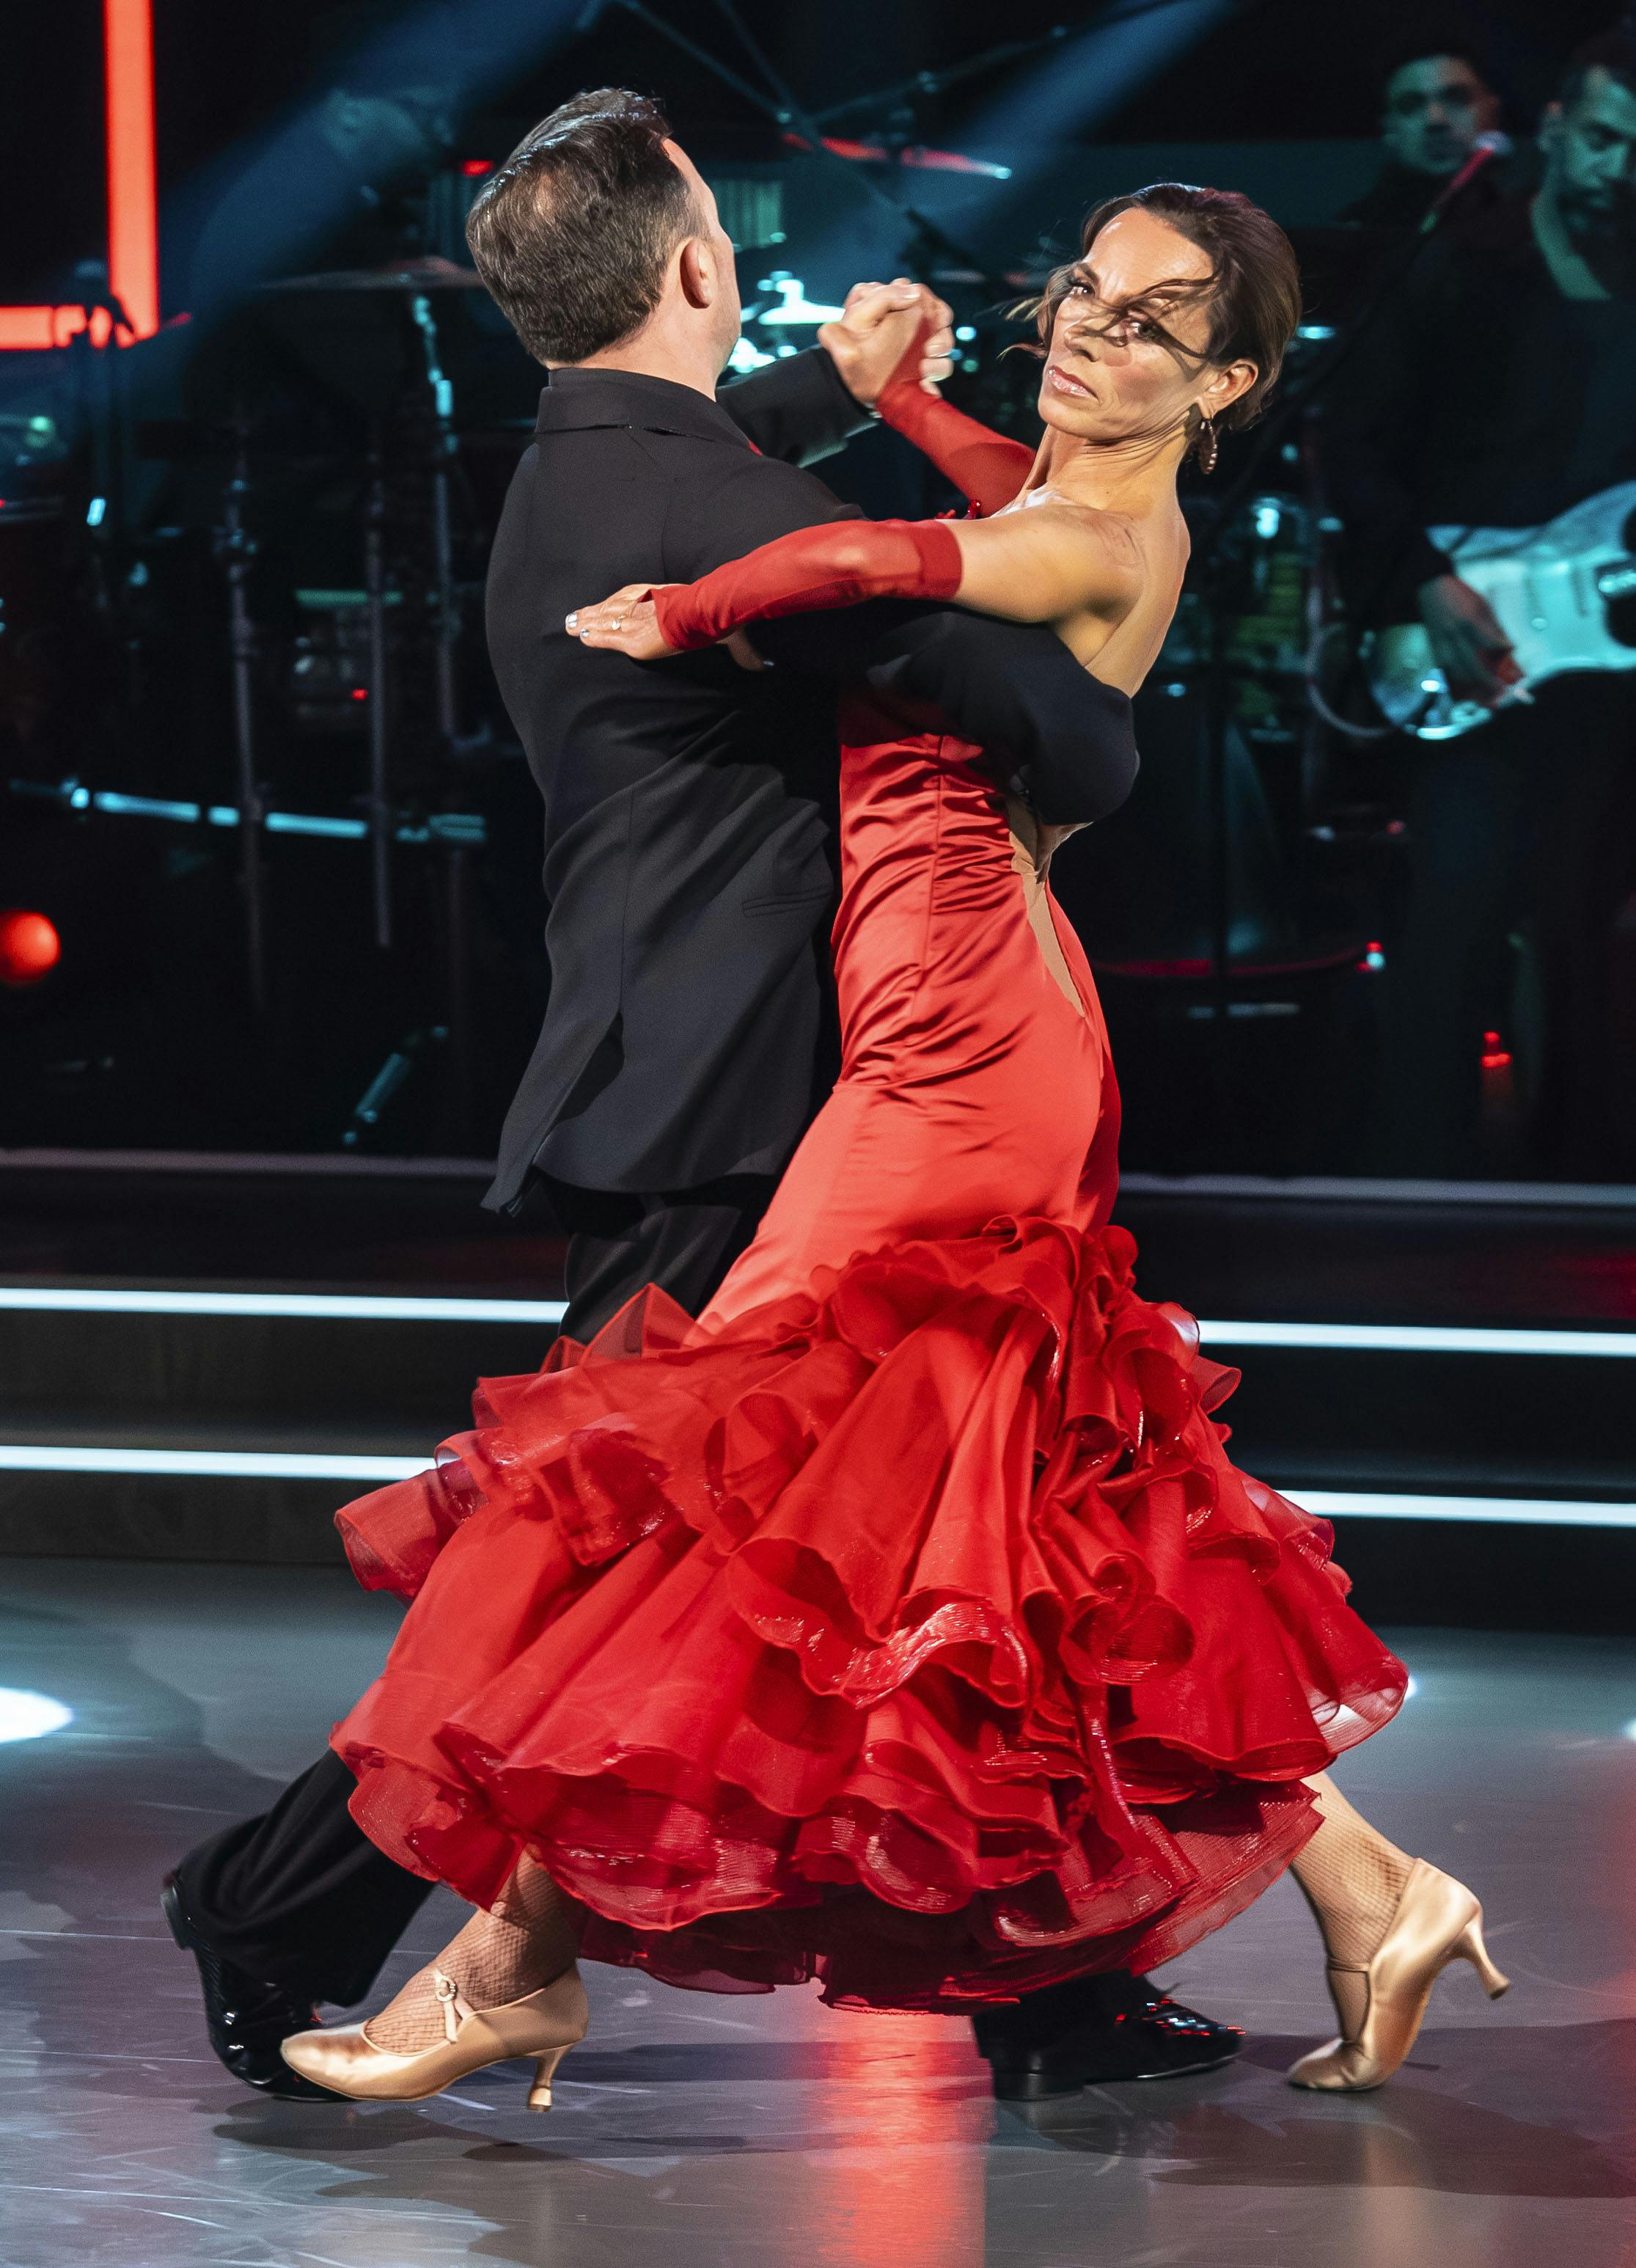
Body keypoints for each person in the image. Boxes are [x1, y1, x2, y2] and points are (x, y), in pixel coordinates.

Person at [281, 183, 1505, 2112]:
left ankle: (508, 1965)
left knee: (718, 1472)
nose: (1091, 331)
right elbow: (977, 495)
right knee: (1014, 1534)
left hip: (956, 1049)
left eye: (1149, 320)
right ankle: (1370, 1890)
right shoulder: (1071, 492)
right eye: (1082, 292)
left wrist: (684, 609)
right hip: (952, 1020)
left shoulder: (1086, 527)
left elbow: (881, 556)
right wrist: (919, 392)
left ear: (1230, 381)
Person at [164, 92, 1234, 2106]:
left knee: (941, 1535)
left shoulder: (598, 475)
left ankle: (1054, 1989)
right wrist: (1085, 564)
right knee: (573, 1569)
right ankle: (282, 1906)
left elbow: (828, 555)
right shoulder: (713, 508)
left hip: (718, 1079)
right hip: (744, 1107)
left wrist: (885, 440)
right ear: (693, 272)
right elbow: (1077, 745)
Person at [1324, 27, 1636, 1176]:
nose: (1617, 168)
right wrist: (1425, 584)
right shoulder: (1458, 263)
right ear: (1553, 127)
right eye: (1600, 138)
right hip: (1468, 643)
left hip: (1611, 669)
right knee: (1449, 925)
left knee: (1587, 934)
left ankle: (1585, 1189)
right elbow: (1350, 452)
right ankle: (1416, 1194)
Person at [1340, 37, 1505, 238]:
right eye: (1411, 104)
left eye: (1456, 97)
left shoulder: (1540, 216)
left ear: (1492, 110)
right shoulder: (1354, 232)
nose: (1435, 120)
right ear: (1390, 129)